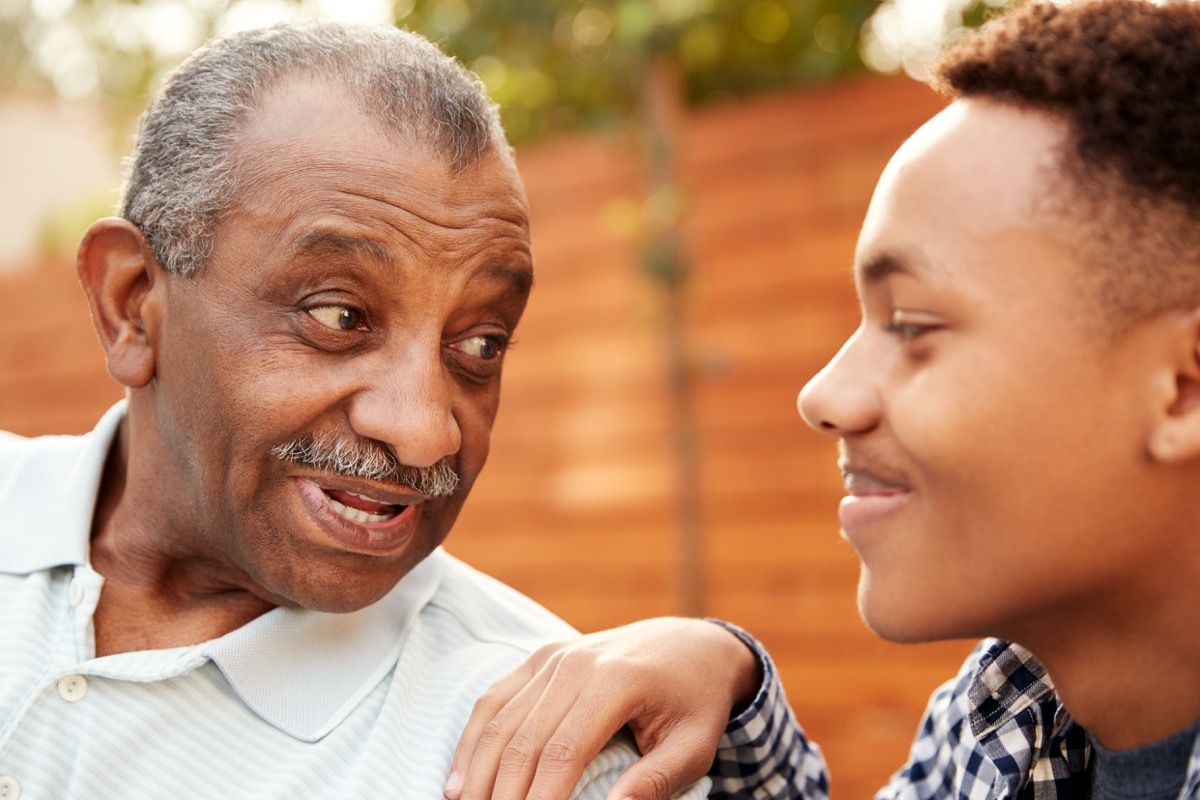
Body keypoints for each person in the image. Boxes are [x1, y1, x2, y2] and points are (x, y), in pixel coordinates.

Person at [444, 1, 1200, 798]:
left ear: (1182, 388)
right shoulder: (1010, 712)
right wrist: (724, 674)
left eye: (911, 324)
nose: (823, 394)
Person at [0, 21, 768, 799]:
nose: (424, 430)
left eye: (480, 346)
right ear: (131, 306)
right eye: (339, 317)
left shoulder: (541, 757)